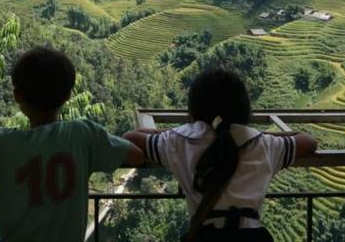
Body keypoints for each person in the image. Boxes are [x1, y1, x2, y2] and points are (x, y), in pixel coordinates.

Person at [0, 47, 144, 242]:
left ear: (17, 95)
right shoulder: (82, 134)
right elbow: (136, 155)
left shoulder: (2, 143)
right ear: (69, 95)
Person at [124, 69, 317, 242]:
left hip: (205, 235)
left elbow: (131, 137)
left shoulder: (179, 142)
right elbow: (308, 141)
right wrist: (265, 135)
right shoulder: (264, 144)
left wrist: (175, 131)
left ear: (194, 108)